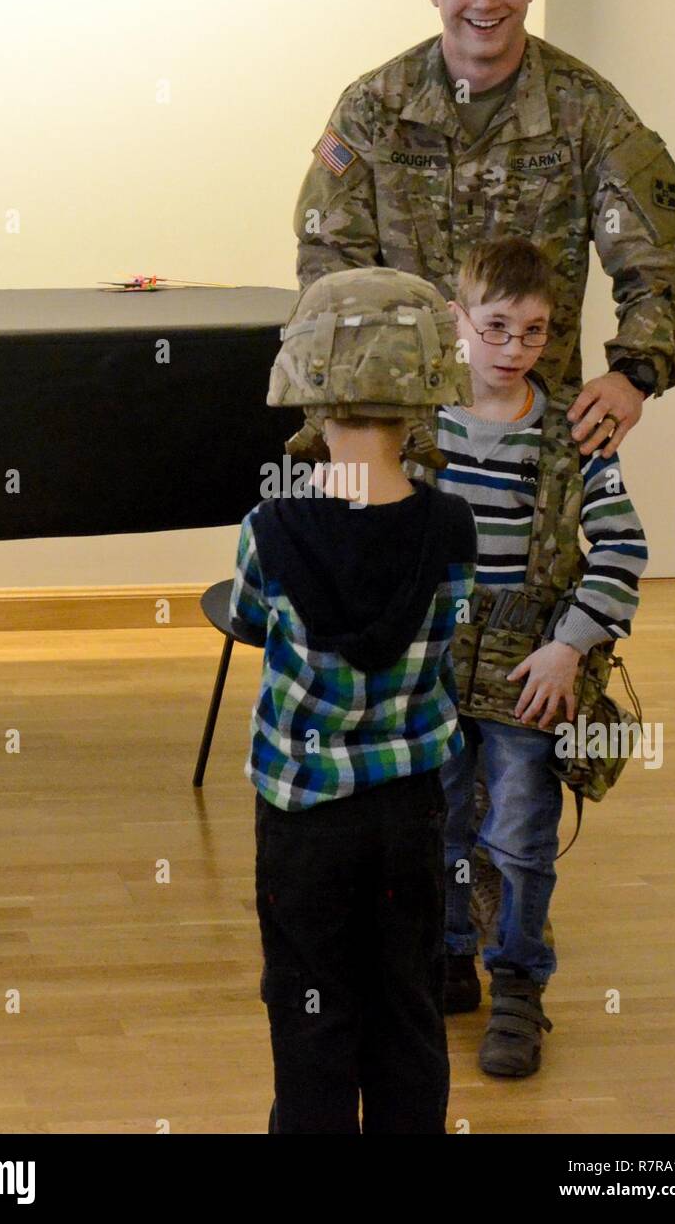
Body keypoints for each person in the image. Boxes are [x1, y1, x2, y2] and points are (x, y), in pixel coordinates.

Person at [294, 0, 675, 460]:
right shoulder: (374, 108)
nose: (486, 0)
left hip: (535, 444)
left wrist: (633, 376)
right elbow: (328, 267)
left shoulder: (587, 111)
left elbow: (663, 263)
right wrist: (355, 408)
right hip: (400, 440)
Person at [228, 266, 477, 1134]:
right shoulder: (452, 527)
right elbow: (453, 626)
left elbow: (254, 620)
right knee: (408, 1008)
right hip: (409, 818)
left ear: (311, 391)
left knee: (308, 1011)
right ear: (421, 397)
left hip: (304, 820)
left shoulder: (271, 526)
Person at [414, 235, 648, 1078]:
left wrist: (565, 648)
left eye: (536, 332)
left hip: (528, 681)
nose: (515, 350)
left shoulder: (574, 436)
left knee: (517, 836)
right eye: (498, 328)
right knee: (436, 821)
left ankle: (518, 984)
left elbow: (622, 551)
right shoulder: (423, 431)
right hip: (433, 670)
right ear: (459, 323)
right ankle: (446, 959)